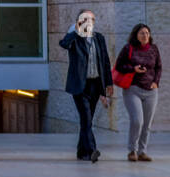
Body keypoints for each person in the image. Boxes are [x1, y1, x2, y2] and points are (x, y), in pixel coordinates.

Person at [58, 9, 114, 162]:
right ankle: (92, 150)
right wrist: (76, 30)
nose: (90, 21)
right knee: (86, 118)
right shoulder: (75, 38)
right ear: (80, 21)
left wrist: (108, 83)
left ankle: (82, 152)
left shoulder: (99, 38)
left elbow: (105, 61)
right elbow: (64, 44)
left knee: (86, 121)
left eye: (92, 19)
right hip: (79, 85)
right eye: (86, 19)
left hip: (95, 85)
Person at [115, 24, 161, 162]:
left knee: (147, 124)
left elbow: (159, 67)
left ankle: (142, 151)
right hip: (132, 89)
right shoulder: (128, 48)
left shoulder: (154, 49)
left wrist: (156, 82)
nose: (145, 35)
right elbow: (119, 66)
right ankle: (132, 151)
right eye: (142, 33)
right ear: (136, 35)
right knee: (137, 121)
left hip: (151, 91)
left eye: (147, 33)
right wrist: (133, 69)